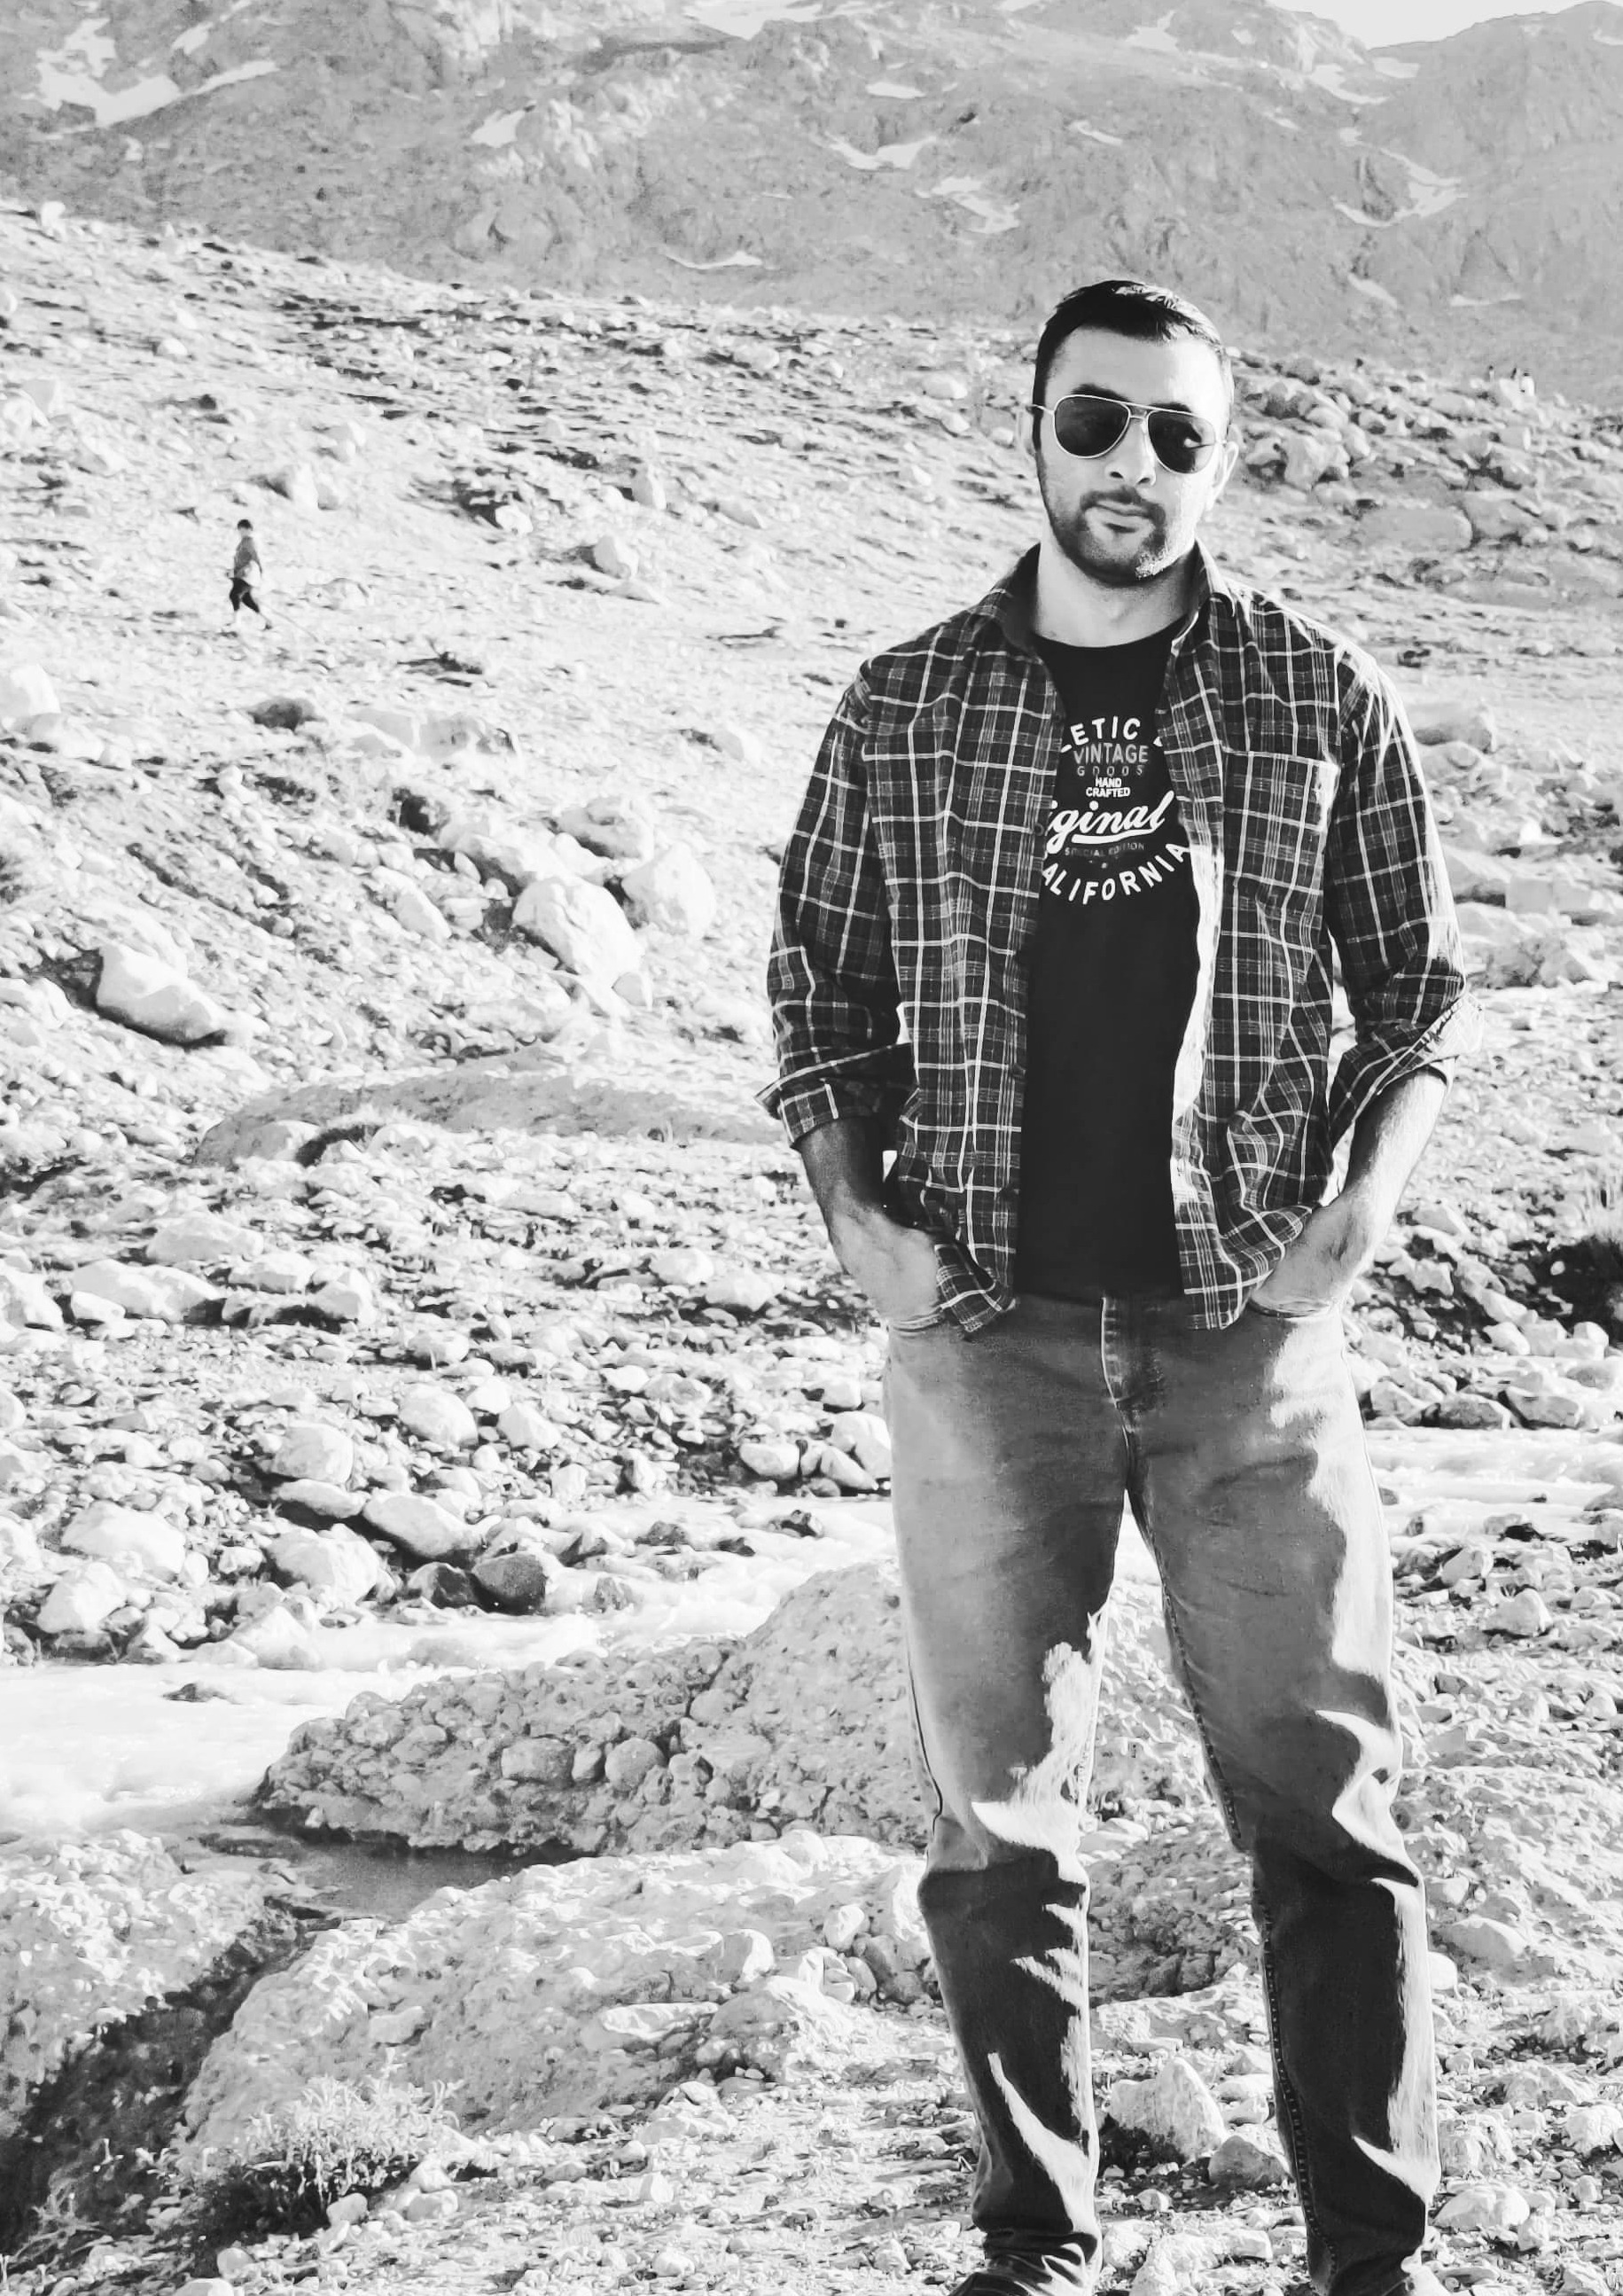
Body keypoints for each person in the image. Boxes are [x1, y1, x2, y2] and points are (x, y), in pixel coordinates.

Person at [767, 277, 1474, 2296]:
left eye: (1180, 434)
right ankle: (1038, 2247)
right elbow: (818, 994)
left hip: (1251, 1339)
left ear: (1219, 464)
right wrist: (854, 1213)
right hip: (987, 1341)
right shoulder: (904, 709)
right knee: (1000, 1834)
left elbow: (1416, 998)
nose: (1133, 466)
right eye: (1097, 422)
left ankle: (1371, 2262)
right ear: (1034, 432)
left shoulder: (1318, 698)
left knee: (1328, 1815)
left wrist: (1366, 1204)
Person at [228, 518, 264, 622]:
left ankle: (236, 622)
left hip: (247, 575)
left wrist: (258, 570)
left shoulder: (249, 542)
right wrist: (233, 572)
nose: (241, 532)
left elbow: (254, 558)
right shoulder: (244, 542)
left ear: (249, 530)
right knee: (246, 599)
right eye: (240, 530)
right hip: (243, 575)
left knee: (234, 595)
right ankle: (266, 621)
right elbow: (241, 560)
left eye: (243, 530)